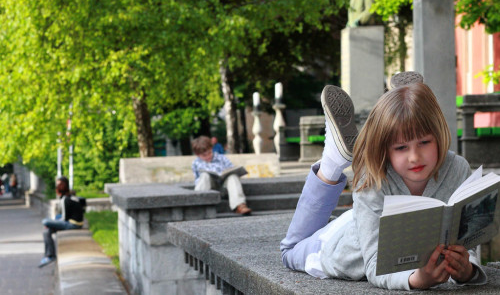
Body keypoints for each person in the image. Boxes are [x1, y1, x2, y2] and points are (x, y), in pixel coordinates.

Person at [280, 72, 487, 290]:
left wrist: (467, 271)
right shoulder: (372, 179)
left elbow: (466, 244)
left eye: (424, 142)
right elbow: (373, 264)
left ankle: (406, 98)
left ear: (438, 135)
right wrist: (416, 280)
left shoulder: (458, 168)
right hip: (342, 245)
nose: (415, 157)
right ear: (385, 150)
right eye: (401, 147)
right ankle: (332, 159)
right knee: (290, 251)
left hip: (371, 213)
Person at [191, 136, 251, 215]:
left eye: (209, 153)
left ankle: (239, 205)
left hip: (224, 188)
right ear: (198, 155)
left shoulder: (222, 158)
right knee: (205, 175)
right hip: (210, 189)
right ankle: (198, 204)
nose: (208, 156)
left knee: (232, 176)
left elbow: (231, 169)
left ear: (212, 149)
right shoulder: (196, 163)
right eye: (204, 155)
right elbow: (198, 181)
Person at [39, 176, 85, 268]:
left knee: (45, 222)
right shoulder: (71, 196)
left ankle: (49, 256)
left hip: (73, 224)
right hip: (77, 222)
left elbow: (64, 218)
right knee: (47, 231)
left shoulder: (65, 200)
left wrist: (51, 223)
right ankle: (49, 255)